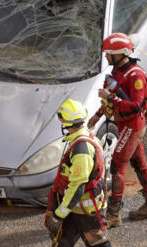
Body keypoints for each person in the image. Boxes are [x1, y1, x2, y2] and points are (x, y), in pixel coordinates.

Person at [87, 33, 147, 227]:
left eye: (108, 54)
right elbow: (109, 96)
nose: (106, 57)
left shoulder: (135, 75)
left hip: (133, 125)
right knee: (139, 163)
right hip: (125, 124)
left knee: (117, 166)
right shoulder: (116, 72)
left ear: (119, 54)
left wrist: (111, 99)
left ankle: (113, 215)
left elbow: (135, 106)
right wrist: (98, 115)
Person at [45, 99, 110, 247]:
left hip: (86, 210)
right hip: (74, 207)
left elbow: (77, 187)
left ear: (67, 123)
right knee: (63, 242)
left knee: (98, 243)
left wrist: (58, 215)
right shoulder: (84, 137)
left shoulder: (82, 149)